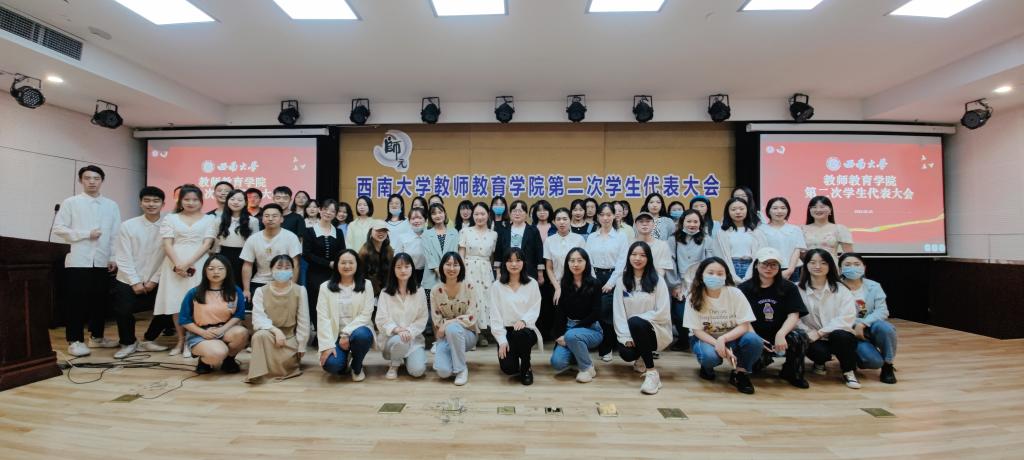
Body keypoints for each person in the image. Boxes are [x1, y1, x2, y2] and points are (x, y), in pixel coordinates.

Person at [52, 165, 122, 356]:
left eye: (96, 178)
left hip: (102, 260)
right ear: (80, 180)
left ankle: (97, 337)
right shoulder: (71, 202)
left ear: (102, 181)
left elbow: (116, 234)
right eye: (87, 178)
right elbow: (59, 228)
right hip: (78, 260)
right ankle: (75, 340)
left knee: (100, 301)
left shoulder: (111, 205)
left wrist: (113, 257)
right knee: (76, 302)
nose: (92, 182)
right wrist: (85, 234)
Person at [154, 184, 217, 357]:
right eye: (186, 199)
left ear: (201, 201)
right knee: (176, 302)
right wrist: (178, 264)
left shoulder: (209, 219)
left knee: (196, 302)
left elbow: (207, 244)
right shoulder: (171, 218)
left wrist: (188, 263)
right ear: (180, 200)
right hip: (173, 263)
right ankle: (180, 340)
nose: (191, 202)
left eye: (195, 199)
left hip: (199, 262)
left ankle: (191, 340)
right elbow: (167, 244)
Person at [683, 256, 761, 394]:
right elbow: (697, 331)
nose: (715, 277)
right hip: (706, 338)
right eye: (710, 273)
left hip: (732, 337)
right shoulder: (693, 297)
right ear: (701, 275)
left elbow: (744, 325)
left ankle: (740, 373)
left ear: (726, 276)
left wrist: (723, 339)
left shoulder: (735, 293)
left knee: (754, 340)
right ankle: (707, 368)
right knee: (709, 357)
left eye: (720, 274)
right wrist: (718, 343)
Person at [111, 186, 171, 359]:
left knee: (167, 308)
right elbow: (123, 256)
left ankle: (149, 339)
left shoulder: (169, 226)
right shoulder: (128, 226)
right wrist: (135, 281)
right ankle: (128, 342)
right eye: (147, 200)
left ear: (163, 204)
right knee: (123, 311)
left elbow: (168, 256)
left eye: (156, 201)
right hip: (128, 277)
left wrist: (154, 279)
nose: (151, 204)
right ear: (140, 203)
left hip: (158, 277)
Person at [738, 248, 811, 389]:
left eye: (773, 265)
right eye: (765, 264)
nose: (769, 268)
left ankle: (793, 372)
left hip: (780, 332)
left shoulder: (789, 287)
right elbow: (742, 318)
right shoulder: (744, 288)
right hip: (754, 333)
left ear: (779, 267)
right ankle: (752, 365)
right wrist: (756, 338)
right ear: (756, 265)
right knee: (756, 365)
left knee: (800, 336)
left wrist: (781, 333)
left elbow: (794, 314)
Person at [613, 241, 672, 395]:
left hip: (656, 330)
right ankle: (642, 357)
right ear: (628, 257)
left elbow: (663, 312)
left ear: (649, 258)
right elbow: (619, 313)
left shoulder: (657, 280)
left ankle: (652, 373)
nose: (637, 258)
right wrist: (626, 337)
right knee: (627, 354)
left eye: (642, 255)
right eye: (634, 254)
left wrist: (638, 320)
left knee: (636, 322)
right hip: (631, 332)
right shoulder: (622, 281)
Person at [798, 248, 861, 389]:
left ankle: (849, 371)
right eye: (812, 262)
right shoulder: (797, 289)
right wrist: (808, 332)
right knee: (818, 351)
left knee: (841, 336)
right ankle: (819, 362)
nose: (818, 266)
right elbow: (795, 318)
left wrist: (821, 332)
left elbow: (847, 318)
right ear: (806, 265)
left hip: (837, 334)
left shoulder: (841, 289)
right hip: (812, 335)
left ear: (830, 266)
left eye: (823, 263)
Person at [179, 255, 249, 374]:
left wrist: (222, 329)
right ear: (205, 271)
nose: (216, 272)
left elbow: (239, 314)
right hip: (200, 333)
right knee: (218, 353)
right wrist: (203, 332)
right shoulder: (194, 293)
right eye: (211, 269)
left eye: (220, 268)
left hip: (225, 329)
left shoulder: (235, 291)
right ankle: (204, 361)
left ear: (227, 271)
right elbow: (184, 320)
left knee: (242, 333)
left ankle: (229, 360)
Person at [247, 255, 310, 383]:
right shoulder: (260, 291)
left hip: (289, 339)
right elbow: (258, 318)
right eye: (279, 267)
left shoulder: (300, 290)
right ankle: (259, 375)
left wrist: (302, 345)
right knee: (259, 335)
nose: (283, 270)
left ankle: (279, 370)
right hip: (268, 334)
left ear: (292, 271)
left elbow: (304, 321)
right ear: (271, 269)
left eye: (287, 268)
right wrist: (276, 331)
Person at [839, 253, 898, 384]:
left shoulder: (874, 286)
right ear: (840, 269)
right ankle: (854, 358)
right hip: (849, 329)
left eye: (857, 264)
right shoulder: (835, 287)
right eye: (847, 265)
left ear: (864, 267)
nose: (852, 268)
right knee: (874, 362)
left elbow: (882, 311)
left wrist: (863, 324)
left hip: (869, 326)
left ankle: (888, 365)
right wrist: (854, 326)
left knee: (886, 328)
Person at [316, 250, 375, 381]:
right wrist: (327, 346)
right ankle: (345, 361)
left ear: (357, 265)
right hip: (335, 335)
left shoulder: (367, 285)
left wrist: (346, 333)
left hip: (358, 331)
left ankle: (356, 366)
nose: (347, 266)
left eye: (351, 262)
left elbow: (366, 315)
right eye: (343, 263)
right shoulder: (325, 287)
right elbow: (322, 318)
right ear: (336, 265)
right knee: (331, 365)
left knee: (362, 336)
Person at [490, 248, 543, 386]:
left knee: (520, 334)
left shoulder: (532, 283)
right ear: (505, 263)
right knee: (509, 369)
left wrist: (524, 320)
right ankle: (515, 355)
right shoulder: (497, 286)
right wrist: (502, 340)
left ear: (523, 262)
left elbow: (535, 308)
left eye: (518, 260)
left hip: (526, 329)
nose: (514, 264)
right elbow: (495, 316)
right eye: (510, 261)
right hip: (506, 331)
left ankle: (526, 367)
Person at [549, 248, 603, 383]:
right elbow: (560, 312)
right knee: (557, 363)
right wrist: (558, 335)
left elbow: (596, 313)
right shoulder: (564, 284)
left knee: (571, 336)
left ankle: (587, 368)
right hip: (569, 327)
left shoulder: (595, 284)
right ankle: (578, 353)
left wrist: (570, 333)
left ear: (586, 263)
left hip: (591, 328)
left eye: (579, 260)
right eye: (572, 261)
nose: (576, 264)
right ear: (567, 263)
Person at [664, 209, 714, 351]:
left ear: (700, 223)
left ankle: (700, 341)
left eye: (695, 221)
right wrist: (675, 285)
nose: (692, 224)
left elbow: (710, 261)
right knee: (679, 314)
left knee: (700, 312)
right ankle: (683, 340)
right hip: (680, 282)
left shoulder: (707, 239)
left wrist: (704, 282)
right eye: (689, 221)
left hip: (700, 282)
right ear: (682, 222)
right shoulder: (673, 239)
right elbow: (670, 262)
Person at [584, 203, 628, 361]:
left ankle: (607, 347)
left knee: (608, 313)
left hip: (614, 277)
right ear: (598, 217)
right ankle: (597, 343)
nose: (605, 218)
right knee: (596, 311)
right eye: (602, 215)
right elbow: (587, 260)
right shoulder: (592, 237)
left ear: (614, 216)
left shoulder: (621, 237)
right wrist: (593, 280)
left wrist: (611, 283)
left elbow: (622, 262)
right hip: (594, 277)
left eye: (609, 214)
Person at [375, 253, 429, 379]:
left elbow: (422, 318)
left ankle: (405, 357)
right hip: (392, 340)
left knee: (418, 371)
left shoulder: (420, 291)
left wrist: (409, 331)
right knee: (400, 340)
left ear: (412, 268)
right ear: (393, 270)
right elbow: (381, 319)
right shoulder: (385, 293)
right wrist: (398, 330)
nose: (403, 270)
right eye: (398, 267)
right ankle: (394, 364)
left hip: (412, 339)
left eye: (406, 266)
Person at [430, 252, 479, 385]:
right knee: (443, 373)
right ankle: (453, 357)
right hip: (445, 336)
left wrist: (448, 323)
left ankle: (461, 369)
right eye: (448, 264)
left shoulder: (469, 286)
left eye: (455, 265)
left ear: (461, 267)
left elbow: (471, 316)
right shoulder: (435, 291)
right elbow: (436, 319)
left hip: (467, 334)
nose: (452, 268)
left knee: (452, 328)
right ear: (442, 267)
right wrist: (444, 326)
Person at [240, 204, 302, 306]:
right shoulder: (253, 239)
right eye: (267, 216)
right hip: (259, 281)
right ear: (262, 219)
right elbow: (247, 265)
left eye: (274, 216)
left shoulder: (291, 237)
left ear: (281, 219)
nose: (270, 219)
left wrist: (293, 287)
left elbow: (296, 264)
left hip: (284, 282)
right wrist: (246, 290)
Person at [459, 202, 498, 347]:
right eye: (476, 214)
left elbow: (492, 257)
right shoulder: (465, 231)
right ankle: (471, 335)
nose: (479, 217)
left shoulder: (494, 234)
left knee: (484, 302)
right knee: (470, 300)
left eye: (482, 214)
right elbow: (461, 254)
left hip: (486, 270)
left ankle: (481, 333)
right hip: (468, 268)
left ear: (488, 214)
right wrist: (462, 273)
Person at [303, 199, 345, 332]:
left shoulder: (338, 232)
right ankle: (318, 333)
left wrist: (336, 264)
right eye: (326, 209)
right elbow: (307, 254)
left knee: (333, 304)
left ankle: (333, 332)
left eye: (332, 211)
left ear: (335, 214)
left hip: (333, 274)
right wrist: (328, 263)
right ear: (320, 210)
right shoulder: (309, 231)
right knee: (315, 303)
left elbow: (342, 252)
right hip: (314, 274)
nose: (328, 213)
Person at [493, 200, 545, 306]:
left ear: (526, 214)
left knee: (527, 301)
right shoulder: (504, 231)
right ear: (510, 213)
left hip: (528, 270)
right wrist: (498, 273)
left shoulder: (533, 230)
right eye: (514, 211)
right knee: (508, 301)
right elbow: (498, 253)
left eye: (520, 211)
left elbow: (539, 252)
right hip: (507, 271)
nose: (517, 214)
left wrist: (540, 273)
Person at [213, 189, 259, 286]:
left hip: (244, 257)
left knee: (241, 285)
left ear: (245, 202)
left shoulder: (253, 221)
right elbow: (216, 242)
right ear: (227, 201)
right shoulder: (218, 220)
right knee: (224, 285)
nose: (235, 202)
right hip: (223, 256)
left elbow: (255, 243)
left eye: (239, 200)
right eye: (232, 199)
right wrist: (216, 257)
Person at [713, 197, 764, 281]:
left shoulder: (756, 231)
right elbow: (719, 255)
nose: (738, 212)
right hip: (729, 267)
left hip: (751, 267)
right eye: (733, 209)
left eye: (741, 209)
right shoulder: (722, 232)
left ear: (747, 210)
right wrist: (731, 274)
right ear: (728, 212)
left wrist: (751, 273)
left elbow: (761, 253)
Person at [759, 197, 806, 282]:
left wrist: (790, 270)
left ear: (788, 210)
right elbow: (762, 252)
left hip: (793, 269)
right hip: (768, 269)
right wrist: (771, 269)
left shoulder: (795, 229)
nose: (779, 211)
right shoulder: (760, 230)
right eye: (775, 208)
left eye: (783, 208)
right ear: (768, 211)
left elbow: (797, 251)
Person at [422, 203, 460, 305]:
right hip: (431, 276)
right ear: (430, 217)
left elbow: (455, 253)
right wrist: (439, 272)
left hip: (450, 275)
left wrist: (447, 271)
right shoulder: (426, 234)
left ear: (445, 214)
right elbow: (428, 255)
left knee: (449, 307)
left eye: (440, 212)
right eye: (434, 213)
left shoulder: (454, 232)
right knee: (431, 308)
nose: (437, 215)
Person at [802, 196, 854, 263]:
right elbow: (799, 253)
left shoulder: (839, 229)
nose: (818, 210)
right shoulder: (802, 229)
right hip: (809, 266)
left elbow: (849, 254)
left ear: (830, 209)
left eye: (822, 207)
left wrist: (837, 262)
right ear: (809, 210)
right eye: (814, 207)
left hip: (831, 266)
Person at [393, 207, 427, 286]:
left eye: (419, 218)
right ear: (409, 221)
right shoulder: (402, 238)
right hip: (407, 273)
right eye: (413, 218)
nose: (416, 221)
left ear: (425, 220)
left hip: (427, 274)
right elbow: (396, 259)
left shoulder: (430, 236)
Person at [359, 221, 393, 298]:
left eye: (384, 230)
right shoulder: (364, 252)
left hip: (386, 291)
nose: (381, 233)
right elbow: (361, 275)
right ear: (371, 232)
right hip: (369, 292)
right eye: (378, 230)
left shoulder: (389, 249)